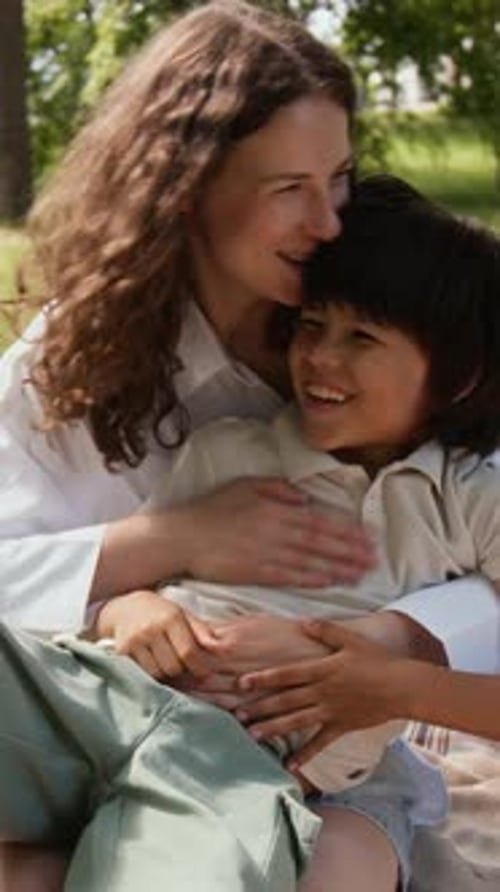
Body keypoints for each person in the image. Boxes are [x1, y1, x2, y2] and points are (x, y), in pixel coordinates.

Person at [0, 0, 495, 886]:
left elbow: (474, 503)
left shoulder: (388, 324)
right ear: (184, 190)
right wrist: (158, 550)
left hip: (296, 756)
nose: (331, 221)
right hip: (110, 705)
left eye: (337, 177)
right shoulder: (71, 364)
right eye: (288, 191)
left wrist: (398, 639)